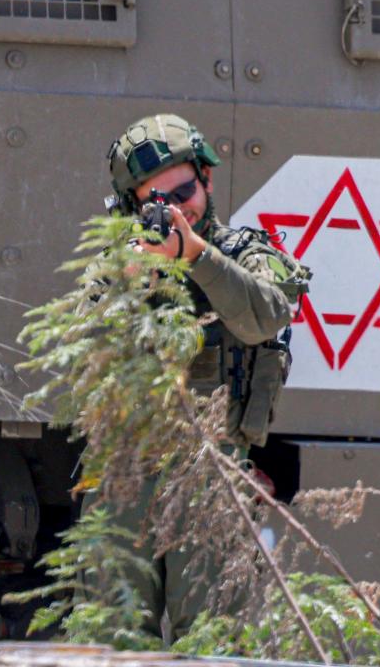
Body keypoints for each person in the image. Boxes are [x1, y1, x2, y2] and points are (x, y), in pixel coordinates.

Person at [92, 113, 307, 639]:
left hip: (214, 473)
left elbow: (266, 314)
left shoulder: (249, 255)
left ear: (207, 180)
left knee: (213, 637)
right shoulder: (120, 265)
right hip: (127, 474)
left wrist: (196, 257)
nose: (176, 208)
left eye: (184, 189)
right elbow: (82, 353)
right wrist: (131, 284)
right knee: (113, 637)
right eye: (156, 201)